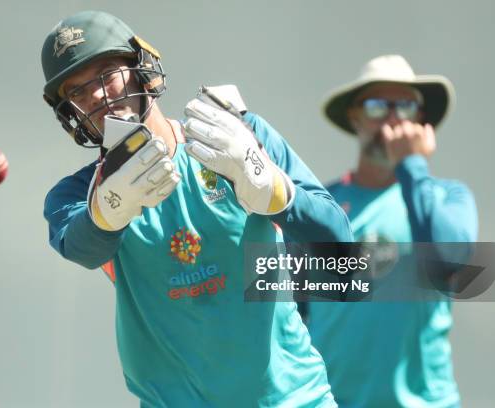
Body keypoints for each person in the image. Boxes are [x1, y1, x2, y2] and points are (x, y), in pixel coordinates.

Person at [41, 11, 352, 407]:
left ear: (141, 69)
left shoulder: (237, 136)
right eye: (77, 91)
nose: (97, 96)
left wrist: (273, 191)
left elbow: (339, 245)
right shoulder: (77, 194)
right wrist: (109, 205)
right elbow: (84, 248)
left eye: (106, 74)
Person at [306, 55, 479, 407]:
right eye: (375, 106)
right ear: (354, 116)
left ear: (419, 119)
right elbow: (291, 313)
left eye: (405, 105)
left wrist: (411, 165)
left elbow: (452, 260)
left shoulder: (449, 197)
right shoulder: (320, 205)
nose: (390, 119)